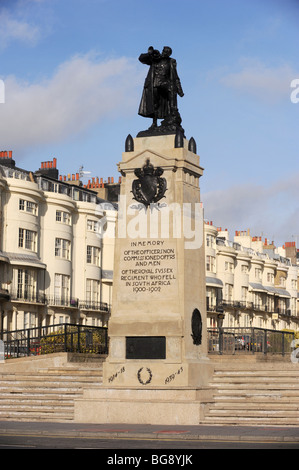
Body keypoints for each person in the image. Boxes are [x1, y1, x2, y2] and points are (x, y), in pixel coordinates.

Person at [138, 46, 184, 132]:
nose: (164, 53)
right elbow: (141, 58)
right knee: (154, 103)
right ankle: (154, 123)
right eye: (164, 51)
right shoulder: (155, 59)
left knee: (171, 93)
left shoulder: (171, 61)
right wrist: (150, 54)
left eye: (166, 52)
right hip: (154, 84)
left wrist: (179, 90)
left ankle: (173, 115)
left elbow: (175, 76)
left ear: (169, 54)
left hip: (165, 83)